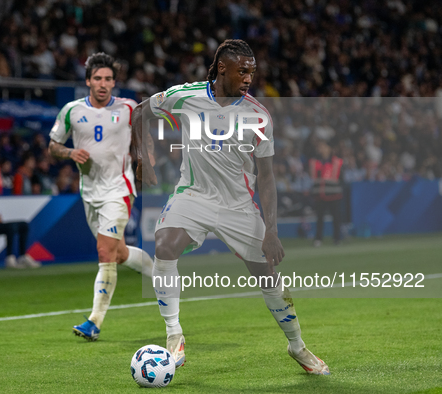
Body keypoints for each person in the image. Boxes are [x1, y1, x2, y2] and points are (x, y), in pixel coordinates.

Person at [132, 40, 330, 374]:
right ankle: (174, 334)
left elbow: (266, 178)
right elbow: (139, 112)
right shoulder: (186, 95)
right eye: (243, 70)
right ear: (222, 68)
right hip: (193, 195)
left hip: (239, 206)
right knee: (164, 245)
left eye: (252, 71)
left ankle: (297, 347)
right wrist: (143, 156)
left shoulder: (258, 116)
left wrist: (272, 231)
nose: (249, 77)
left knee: (269, 280)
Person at [49, 52, 155, 341]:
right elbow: (53, 146)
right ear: (88, 81)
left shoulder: (129, 108)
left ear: (114, 83)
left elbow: (144, 135)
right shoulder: (71, 111)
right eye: (98, 78)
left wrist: (145, 158)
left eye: (109, 79)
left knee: (105, 252)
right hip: (90, 192)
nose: (103, 83)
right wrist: (70, 152)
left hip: (119, 190)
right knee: (118, 253)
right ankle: (161, 275)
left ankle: (94, 321)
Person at [309, 141, 344, 246]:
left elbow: (341, 178)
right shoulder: (315, 162)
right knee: (319, 218)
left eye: (324, 147)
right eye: (320, 147)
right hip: (320, 194)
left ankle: (337, 238)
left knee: (336, 218)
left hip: (334, 194)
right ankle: (318, 239)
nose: (322, 149)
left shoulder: (337, 161)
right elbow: (313, 178)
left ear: (329, 148)